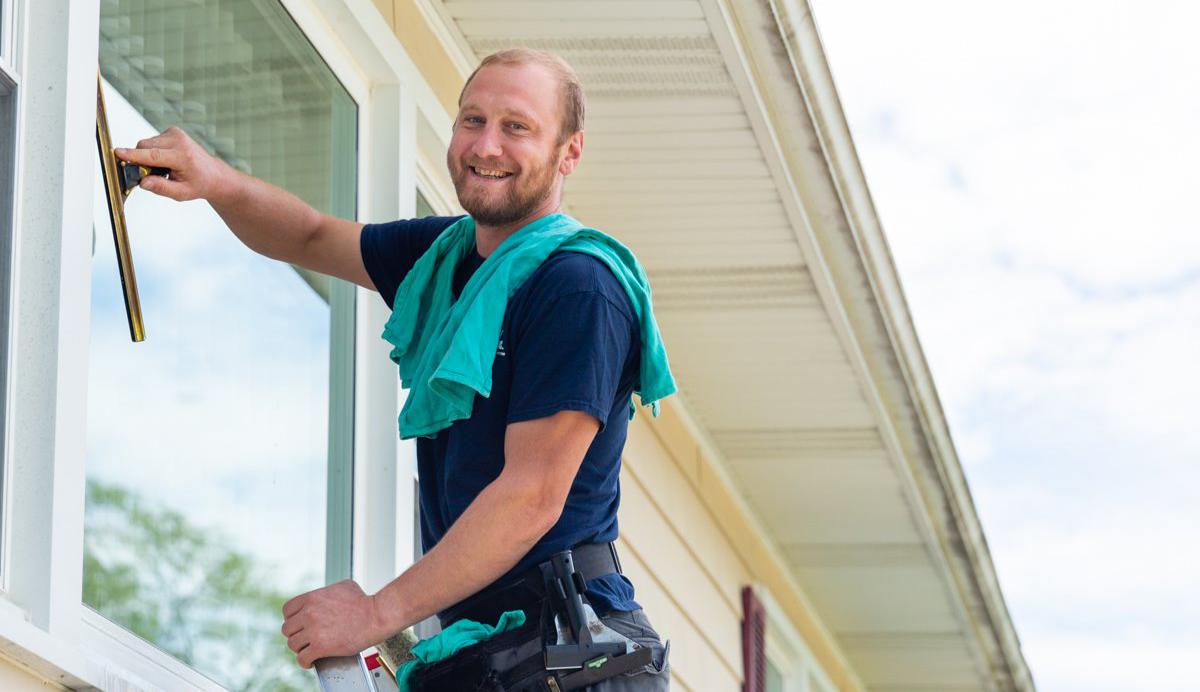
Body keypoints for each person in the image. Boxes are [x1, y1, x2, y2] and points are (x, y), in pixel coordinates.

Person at [117, 48, 672, 690]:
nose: (485, 144)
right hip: (498, 647)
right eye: (472, 120)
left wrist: (375, 614)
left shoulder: (578, 286)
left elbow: (531, 500)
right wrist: (216, 180)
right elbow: (310, 237)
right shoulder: (444, 259)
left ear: (568, 153)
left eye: (516, 127)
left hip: (573, 656)